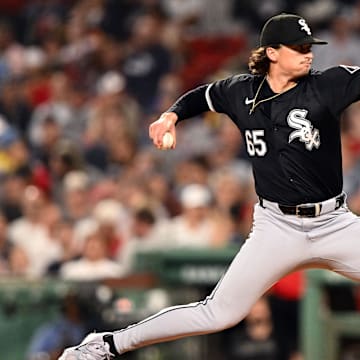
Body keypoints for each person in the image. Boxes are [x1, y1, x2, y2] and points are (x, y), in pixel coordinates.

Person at [59, 13, 360, 359]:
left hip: (334, 222)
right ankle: (107, 344)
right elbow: (200, 97)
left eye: (310, 46)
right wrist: (170, 115)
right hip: (278, 227)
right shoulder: (240, 91)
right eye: (299, 47)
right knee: (218, 313)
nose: (308, 53)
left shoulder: (329, 85)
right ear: (272, 53)